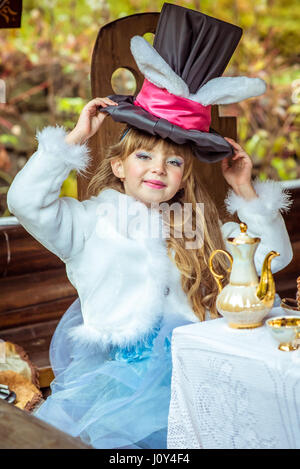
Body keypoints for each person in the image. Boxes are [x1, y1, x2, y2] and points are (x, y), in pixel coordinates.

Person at [6, 4, 293, 449]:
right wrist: (74, 139)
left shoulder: (195, 224)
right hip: (120, 387)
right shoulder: (86, 223)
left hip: (196, 368)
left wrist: (248, 193)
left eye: (174, 161)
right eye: (143, 156)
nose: (159, 168)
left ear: (184, 176)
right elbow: (24, 201)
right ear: (118, 166)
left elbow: (274, 260)